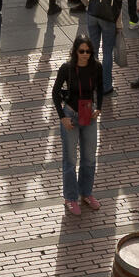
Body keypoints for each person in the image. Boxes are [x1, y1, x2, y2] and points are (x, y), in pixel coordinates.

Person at [53, 34, 107, 213]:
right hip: (71, 114)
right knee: (70, 159)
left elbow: (101, 88)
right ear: (75, 51)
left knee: (89, 158)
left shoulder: (96, 67)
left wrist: (99, 107)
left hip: (88, 115)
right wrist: (63, 117)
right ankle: (70, 197)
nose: (85, 55)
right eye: (82, 51)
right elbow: (55, 93)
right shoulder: (67, 68)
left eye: (88, 51)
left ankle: (86, 193)